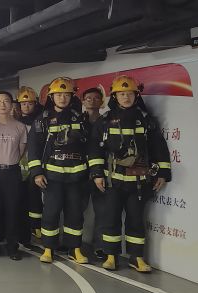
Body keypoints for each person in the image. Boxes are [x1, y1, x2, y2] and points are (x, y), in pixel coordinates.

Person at [89, 76, 171, 272]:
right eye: (122, 94)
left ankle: (137, 257)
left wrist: (163, 172)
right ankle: (111, 256)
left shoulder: (146, 120)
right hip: (113, 181)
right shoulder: (104, 121)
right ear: (115, 97)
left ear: (136, 95)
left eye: (130, 94)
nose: (126, 97)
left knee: (136, 220)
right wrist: (97, 173)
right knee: (111, 219)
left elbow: (159, 147)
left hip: (139, 182)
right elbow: (95, 149)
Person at [27, 77, 90, 264]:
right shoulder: (42, 120)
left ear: (72, 97)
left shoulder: (80, 118)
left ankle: (75, 249)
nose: (63, 98)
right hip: (52, 177)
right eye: (58, 95)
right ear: (51, 97)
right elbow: (34, 148)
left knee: (75, 213)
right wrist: (37, 172)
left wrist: (92, 172)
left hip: (76, 176)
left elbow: (90, 146)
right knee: (51, 212)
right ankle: (48, 248)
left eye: (66, 95)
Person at [0, 91, 27, 260]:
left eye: (6, 101)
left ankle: (12, 247)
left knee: (13, 210)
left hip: (12, 172)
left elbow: (21, 151)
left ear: (12, 104)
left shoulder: (20, 127)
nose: (2, 104)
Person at [81, 86, 107, 256]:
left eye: (96, 98)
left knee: (102, 210)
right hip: (80, 171)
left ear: (102, 102)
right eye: (88, 98)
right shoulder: (77, 121)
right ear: (83, 101)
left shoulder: (107, 121)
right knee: (77, 209)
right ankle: (77, 244)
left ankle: (100, 246)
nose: (92, 101)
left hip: (100, 172)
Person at [17, 86, 44, 243]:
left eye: (30, 103)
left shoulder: (41, 122)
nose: (26, 107)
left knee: (35, 198)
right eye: (23, 104)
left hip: (36, 167)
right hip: (19, 167)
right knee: (20, 198)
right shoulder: (16, 123)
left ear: (35, 104)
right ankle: (22, 227)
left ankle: (36, 227)